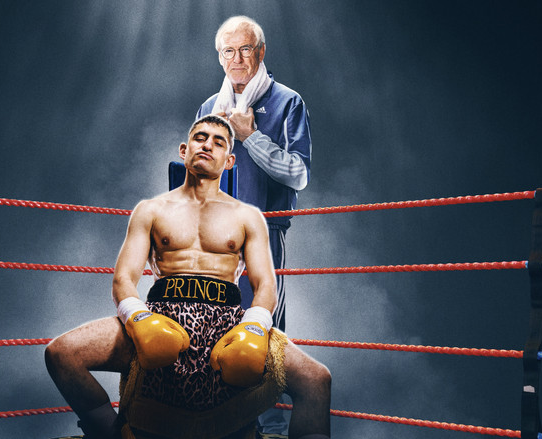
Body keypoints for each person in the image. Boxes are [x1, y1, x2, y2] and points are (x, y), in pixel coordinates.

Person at [45, 115, 330, 439]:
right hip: (162, 318)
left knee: (316, 380)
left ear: (229, 161)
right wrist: (139, 318)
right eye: (200, 138)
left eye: (218, 142)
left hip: (227, 324)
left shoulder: (248, 217)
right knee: (62, 354)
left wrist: (253, 327)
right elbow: (123, 278)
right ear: (184, 150)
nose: (207, 145)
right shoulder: (150, 210)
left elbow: (265, 284)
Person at [196, 16, 313, 434]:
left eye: (245, 49)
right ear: (219, 57)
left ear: (260, 52)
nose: (237, 59)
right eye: (228, 51)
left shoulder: (288, 101)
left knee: (260, 329)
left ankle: (272, 429)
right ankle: (225, 425)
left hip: (265, 234)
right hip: (213, 239)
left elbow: (299, 174)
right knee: (211, 330)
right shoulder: (210, 107)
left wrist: (249, 137)